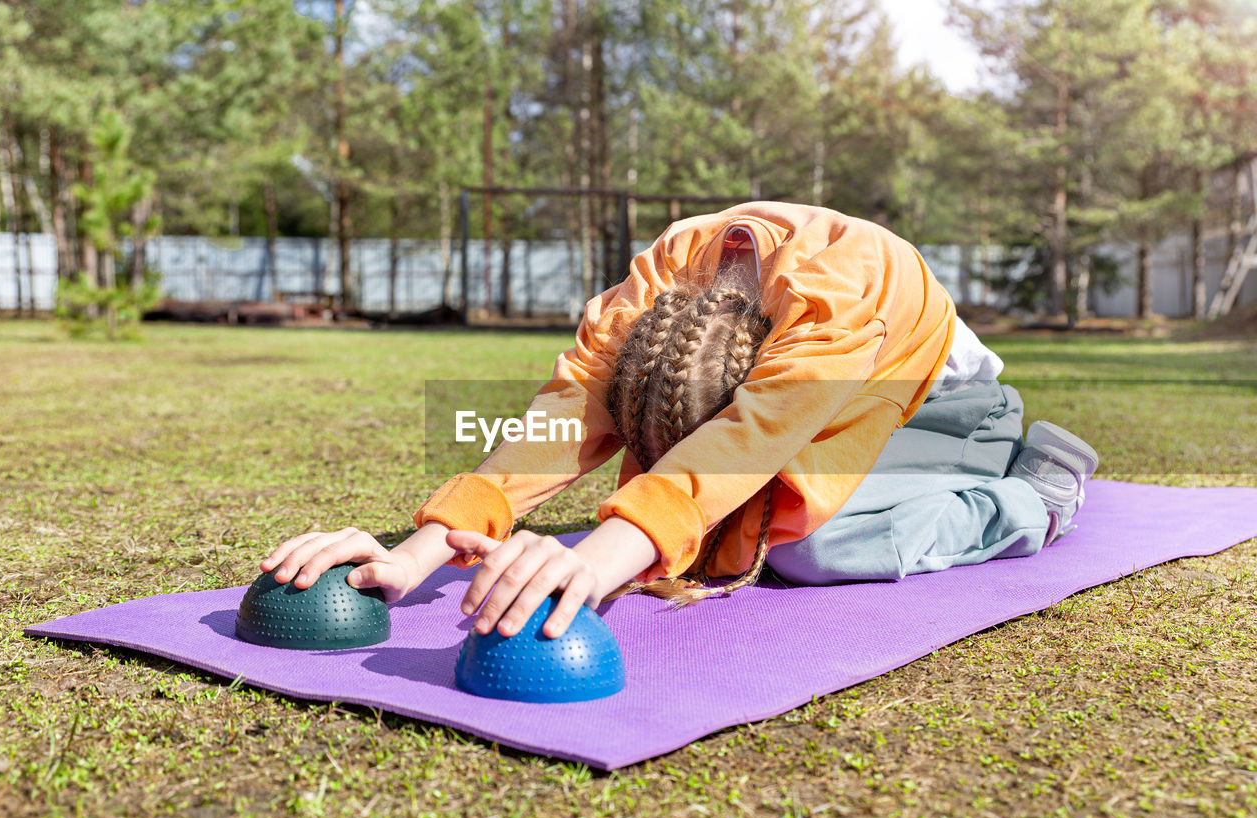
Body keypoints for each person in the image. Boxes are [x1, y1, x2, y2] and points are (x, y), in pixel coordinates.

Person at [260, 202, 1098, 641]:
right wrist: (419, 550)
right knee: (720, 531)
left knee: (806, 548)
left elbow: (744, 446)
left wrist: (594, 564)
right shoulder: (666, 277)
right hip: (810, 403)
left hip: (953, 414)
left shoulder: (839, 304)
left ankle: (1036, 493)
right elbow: (569, 408)